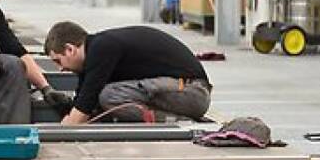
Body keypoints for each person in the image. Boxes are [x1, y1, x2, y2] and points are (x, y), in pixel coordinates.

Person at [43, 21, 212, 125]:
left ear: (70, 49)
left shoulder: (102, 48)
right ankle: (176, 118)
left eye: (58, 61)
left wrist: (67, 125)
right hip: (183, 91)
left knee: (109, 95)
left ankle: (179, 122)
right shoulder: (95, 53)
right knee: (105, 98)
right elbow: (83, 102)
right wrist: (66, 106)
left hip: (193, 92)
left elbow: (83, 109)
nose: (60, 69)